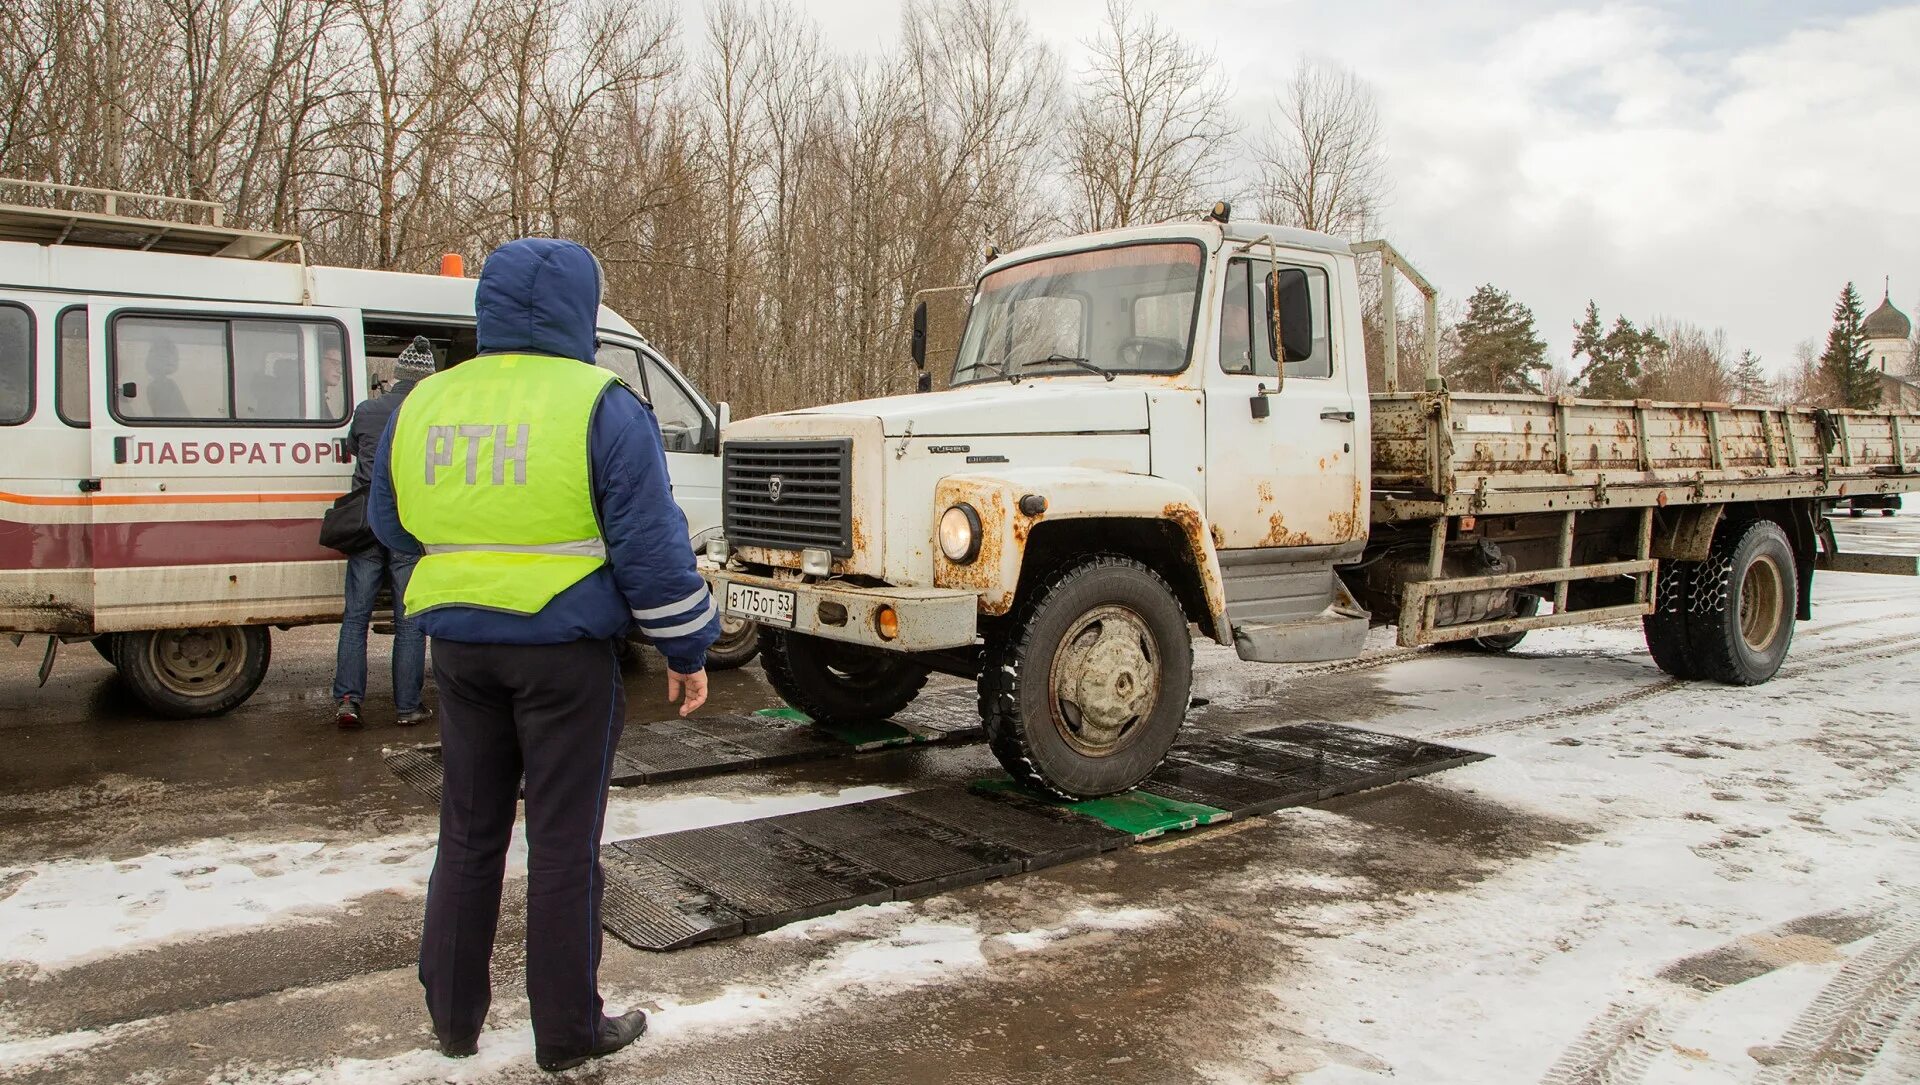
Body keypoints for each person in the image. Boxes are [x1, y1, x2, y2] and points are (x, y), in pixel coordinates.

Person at [369, 238, 720, 1073]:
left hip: (457, 646)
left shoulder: (425, 401)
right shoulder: (602, 401)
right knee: (563, 845)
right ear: (581, 308)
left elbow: (390, 524)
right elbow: (650, 544)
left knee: (468, 834)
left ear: (488, 306)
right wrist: (686, 644)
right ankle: (565, 1030)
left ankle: (453, 1019)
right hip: (564, 657)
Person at [331, 337, 434, 730]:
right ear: (425, 380)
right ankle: (407, 707)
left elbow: (354, 447)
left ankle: (347, 702)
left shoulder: (368, 410)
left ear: (397, 377)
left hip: (366, 524)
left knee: (355, 617)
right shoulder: (428, 411)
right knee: (408, 619)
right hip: (406, 525)